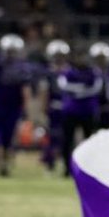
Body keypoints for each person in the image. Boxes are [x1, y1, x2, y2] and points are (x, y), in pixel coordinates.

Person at [0, 34, 33, 177]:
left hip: (10, 106)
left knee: (5, 138)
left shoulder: (21, 67)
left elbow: (25, 90)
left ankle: (0, 165)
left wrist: (24, 108)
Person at [57, 44, 103, 178]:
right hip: (70, 111)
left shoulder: (93, 72)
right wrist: (82, 90)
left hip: (87, 111)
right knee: (67, 141)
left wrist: (77, 91)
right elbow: (63, 85)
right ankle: (67, 168)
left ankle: (89, 169)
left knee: (89, 142)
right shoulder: (68, 72)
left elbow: (96, 88)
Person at [39, 39, 69, 173]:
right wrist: (44, 106)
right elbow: (44, 91)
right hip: (54, 107)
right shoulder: (48, 73)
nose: (58, 58)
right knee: (51, 136)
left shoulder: (69, 72)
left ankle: (65, 163)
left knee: (66, 137)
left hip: (68, 108)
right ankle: (50, 163)